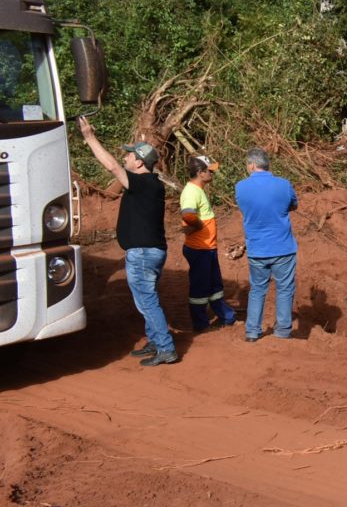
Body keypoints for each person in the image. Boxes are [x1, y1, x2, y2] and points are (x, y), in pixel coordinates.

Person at [76, 116, 178, 366]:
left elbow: (111, 166)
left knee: (146, 300)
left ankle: (166, 347)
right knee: (147, 297)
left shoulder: (142, 183)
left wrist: (90, 138)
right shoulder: (150, 184)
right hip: (148, 251)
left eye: (129, 155)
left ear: (140, 161)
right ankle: (155, 341)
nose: (125, 158)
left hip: (143, 254)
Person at [235, 148, 298, 342]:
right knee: (285, 289)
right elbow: (293, 205)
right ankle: (283, 331)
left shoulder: (241, 187)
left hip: (257, 248)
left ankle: (252, 331)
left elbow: (244, 207)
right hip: (283, 247)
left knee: (257, 289)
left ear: (252, 165)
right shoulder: (284, 184)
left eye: (247, 165)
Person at [180, 155, 236, 331]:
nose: (212, 173)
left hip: (207, 247)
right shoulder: (191, 192)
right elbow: (188, 215)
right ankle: (201, 324)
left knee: (214, 285)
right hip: (199, 248)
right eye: (210, 171)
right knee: (200, 288)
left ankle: (226, 316)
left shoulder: (198, 189)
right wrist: (198, 225)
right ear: (200, 172)